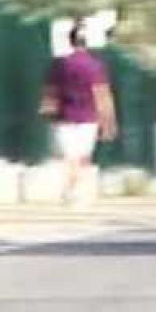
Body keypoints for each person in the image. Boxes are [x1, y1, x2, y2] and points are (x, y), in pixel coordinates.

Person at [40, 21, 118, 205]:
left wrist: (47, 108)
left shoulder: (60, 65)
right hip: (88, 118)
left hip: (65, 117)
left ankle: (70, 190)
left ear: (70, 41)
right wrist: (109, 122)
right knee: (82, 158)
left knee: (70, 157)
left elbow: (51, 91)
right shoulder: (95, 66)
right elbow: (102, 94)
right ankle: (71, 190)